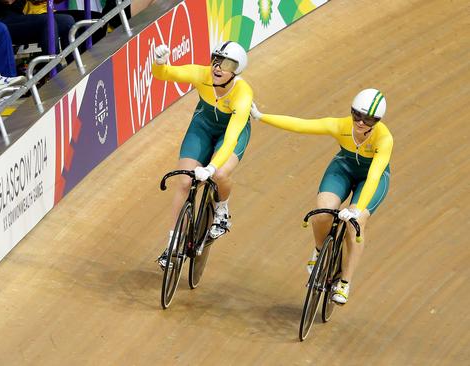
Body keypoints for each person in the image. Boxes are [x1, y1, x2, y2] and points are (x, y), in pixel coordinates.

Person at [250, 88, 393, 305]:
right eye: (357, 115)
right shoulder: (341, 126)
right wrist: (262, 116)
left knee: (355, 225)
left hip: (372, 179)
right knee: (322, 213)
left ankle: (345, 281)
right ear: (351, 111)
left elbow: (373, 176)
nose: (361, 123)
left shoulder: (384, 139)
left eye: (369, 119)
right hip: (343, 169)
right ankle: (319, 250)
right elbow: (302, 125)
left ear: (378, 120)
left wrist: (356, 208)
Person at [152, 41, 254, 269]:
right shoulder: (202, 74)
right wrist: (159, 63)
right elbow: (166, 73)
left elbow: (230, 139)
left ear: (237, 69)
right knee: (184, 181)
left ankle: (222, 209)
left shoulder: (243, 93)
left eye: (226, 64)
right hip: (203, 127)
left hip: (230, 133)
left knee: (220, 174)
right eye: (215, 60)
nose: (217, 67)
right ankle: (172, 245)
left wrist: (212, 167)